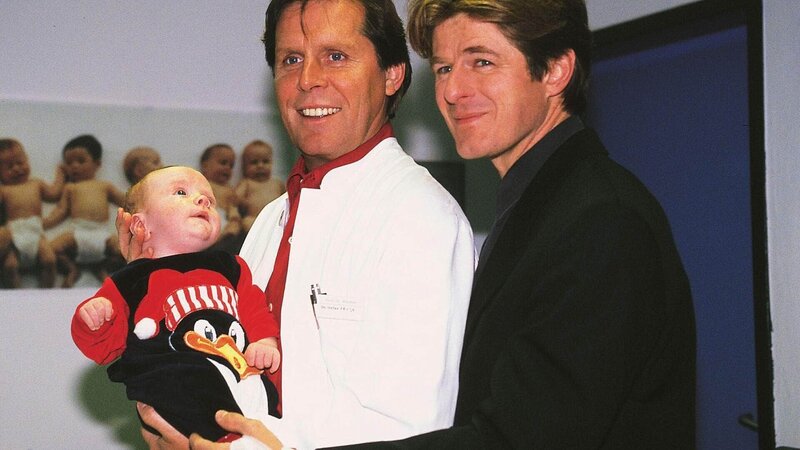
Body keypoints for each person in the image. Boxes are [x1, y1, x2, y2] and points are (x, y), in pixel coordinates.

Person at [188, 0, 697, 449]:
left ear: (556, 70)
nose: (454, 90)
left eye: (482, 62)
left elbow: (517, 439)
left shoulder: (599, 220)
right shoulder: (540, 211)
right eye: (445, 68)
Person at [130, 0, 474, 448]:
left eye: (336, 56)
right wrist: (145, 282)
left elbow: (410, 429)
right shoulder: (271, 220)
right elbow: (223, 365)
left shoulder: (422, 219)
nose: (308, 79)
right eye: (291, 60)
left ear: (393, 74)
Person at [71, 166, 281, 442]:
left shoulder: (231, 266)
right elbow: (103, 348)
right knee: (185, 377)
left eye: (210, 200)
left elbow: (254, 307)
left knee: (265, 394)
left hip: (236, 368)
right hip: (174, 376)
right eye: (181, 192)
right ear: (140, 225)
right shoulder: (130, 280)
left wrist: (265, 342)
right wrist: (93, 317)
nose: (203, 200)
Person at [45, 134, 127, 287]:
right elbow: (61, 210)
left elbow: (124, 200)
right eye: (69, 163)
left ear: (97, 164)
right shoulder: (70, 188)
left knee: (128, 252)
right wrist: (45, 223)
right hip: (77, 232)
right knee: (50, 251)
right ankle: (71, 269)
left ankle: (103, 267)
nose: (74, 166)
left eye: (81, 161)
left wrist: (141, 205)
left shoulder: (105, 186)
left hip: (102, 233)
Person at [0, 138, 65, 288]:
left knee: (49, 260)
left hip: (36, 232)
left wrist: (61, 176)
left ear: (27, 160)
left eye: (20, 163)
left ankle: (46, 292)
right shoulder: (4, 190)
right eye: (9, 167)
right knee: (9, 266)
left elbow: (54, 194)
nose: (17, 169)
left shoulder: (36, 184)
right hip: (14, 234)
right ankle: (14, 294)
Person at [235, 140, 285, 233]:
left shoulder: (277, 183)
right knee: (246, 222)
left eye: (265, 161)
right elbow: (235, 199)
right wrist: (243, 203)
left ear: (272, 163)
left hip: (276, 219)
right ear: (244, 167)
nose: (260, 166)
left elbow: (288, 198)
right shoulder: (247, 183)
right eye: (254, 162)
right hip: (255, 219)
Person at [200, 144, 243, 252]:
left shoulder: (230, 189)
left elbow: (233, 207)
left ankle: (222, 240)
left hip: (223, 220)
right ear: (205, 166)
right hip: (206, 215)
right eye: (223, 163)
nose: (227, 168)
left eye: (231, 166)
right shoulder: (201, 182)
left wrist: (234, 217)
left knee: (234, 227)